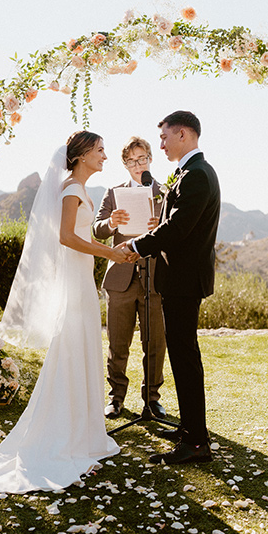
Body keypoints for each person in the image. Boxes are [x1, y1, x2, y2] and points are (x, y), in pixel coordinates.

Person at [0, 131, 128, 493]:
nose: (105, 156)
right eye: (100, 150)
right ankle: (62, 436)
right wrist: (109, 253)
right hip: (74, 284)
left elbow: (79, 236)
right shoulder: (71, 190)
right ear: (82, 155)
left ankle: (81, 433)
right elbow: (66, 237)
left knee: (80, 351)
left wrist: (111, 242)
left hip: (81, 281)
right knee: (70, 351)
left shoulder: (79, 190)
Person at [122, 111, 220, 466]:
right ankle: (190, 429)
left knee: (184, 358)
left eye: (163, 137)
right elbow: (175, 225)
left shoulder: (196, 176)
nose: (160, 144)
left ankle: (197, 442)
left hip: (183, 281)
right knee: (181, 355)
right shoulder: (192, 173)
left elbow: (177, 230)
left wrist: (135, 246)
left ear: (182, 134)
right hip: (180, 279)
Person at [93, 136, 167, 419]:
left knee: (155, 344)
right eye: (132, 161)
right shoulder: (113, 193)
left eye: (143, 159)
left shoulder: (166, 192)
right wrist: (111, 222)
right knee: (118, 343)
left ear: (150, 159)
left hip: (156, 280)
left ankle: (152, 399)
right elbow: (97, 230)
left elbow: (178, 234)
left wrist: (160, 227)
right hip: (121, 278)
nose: (138, 165)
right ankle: (115, 398)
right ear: (125, 164)